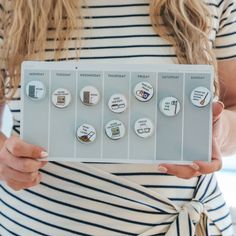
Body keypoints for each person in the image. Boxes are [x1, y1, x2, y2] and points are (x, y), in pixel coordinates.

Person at [0, 0, 235, 235]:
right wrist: (4, 160)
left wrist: (217, 130)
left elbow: (232, 105)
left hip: (184, 224)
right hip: (36, 225)